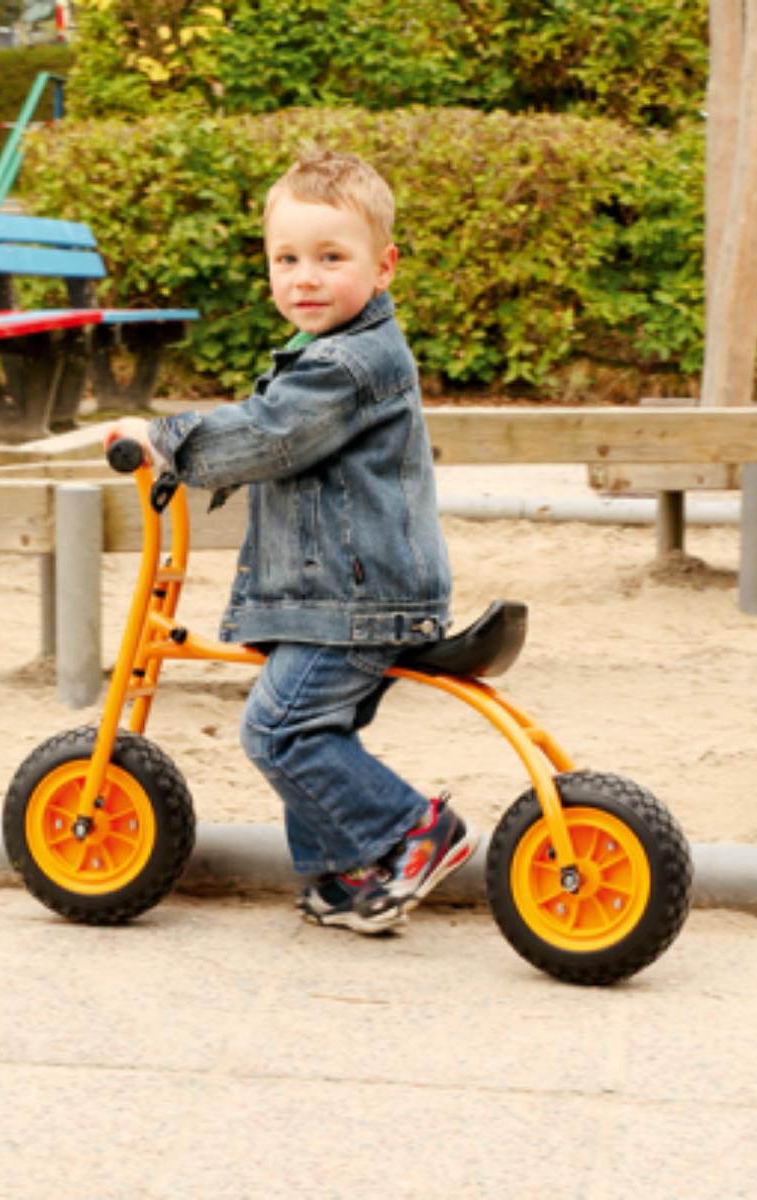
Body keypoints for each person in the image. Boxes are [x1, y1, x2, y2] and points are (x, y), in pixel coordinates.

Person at [113, 149, 477, 934]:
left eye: (330, 258)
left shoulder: (349, 362)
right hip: (334, 593)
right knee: (312, 727)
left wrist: (166, 439)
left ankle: (412, 831)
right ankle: (343, 874)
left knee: (276, 729)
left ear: (384, 268)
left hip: (355, 599)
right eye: (287, 259)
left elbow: (271, 435)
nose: (305, 277)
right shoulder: (329, 355)